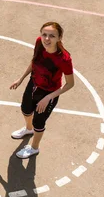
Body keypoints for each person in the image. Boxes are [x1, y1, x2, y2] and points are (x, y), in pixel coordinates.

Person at [9, 22, 75, 159]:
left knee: (39, 121)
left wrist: (48, 97)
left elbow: (70, 84)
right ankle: (28, 129)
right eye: (44, 34)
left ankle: (34, 148)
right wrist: (21, 78)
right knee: (25, 109)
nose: (46, 39)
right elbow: (34, 61)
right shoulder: (39, 43)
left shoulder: (64, 59)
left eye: (52, 36)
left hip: (49, 93)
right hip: (33, 84)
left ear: (59, 37)